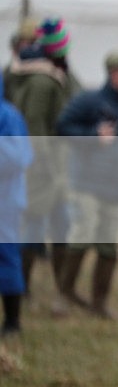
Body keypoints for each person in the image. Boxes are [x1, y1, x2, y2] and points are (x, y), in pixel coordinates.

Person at [56, 51, 118, 319]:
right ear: (115, 73)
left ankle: (99, 302)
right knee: (82, 236)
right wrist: (92, 135)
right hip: (85, 184)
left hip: (115, 189)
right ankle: (63, 295)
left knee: (108, 245)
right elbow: (62, 127)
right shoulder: (87, 100)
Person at [6, 17, 80, 300]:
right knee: (34, 226)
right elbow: (35, 125)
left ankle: (59, 289)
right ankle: (22, 288)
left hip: (50, 166)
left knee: (58, 226)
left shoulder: (49, 76)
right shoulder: (41, 81)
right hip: (43, 168)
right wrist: (47, 165)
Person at [0, 70, 34, 336]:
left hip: (6, 202)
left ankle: (13, 321)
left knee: (7, 256)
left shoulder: (7, 115)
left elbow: (17, 158)